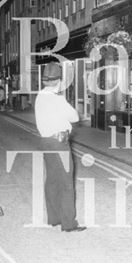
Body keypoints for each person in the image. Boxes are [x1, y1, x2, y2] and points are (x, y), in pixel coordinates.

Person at [34, 62, 85, 232]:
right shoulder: (56, 98)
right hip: (59, 143)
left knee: (52, 180)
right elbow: (74, 116)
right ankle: (69, 224)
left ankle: (54, 218)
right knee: (66, 183)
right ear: (59, 81)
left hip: (46, 142)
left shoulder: (40, 96)